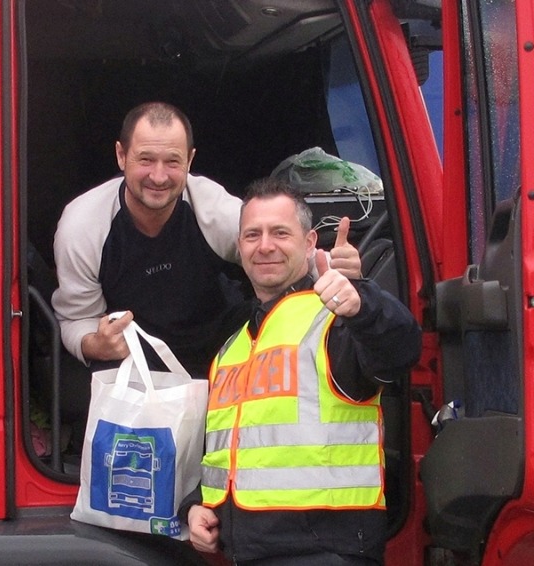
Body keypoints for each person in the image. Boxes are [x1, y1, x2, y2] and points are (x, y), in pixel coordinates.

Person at [184, 178, 422, 565]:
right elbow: (233, 454)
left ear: (310, 243)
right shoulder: (233, 347)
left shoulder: (336, 320)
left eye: (280, 232)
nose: (265, 246)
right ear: (239, 246)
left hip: (325, 551)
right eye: (252, 235)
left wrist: (362, 298)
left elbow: (400, 349)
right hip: (249, 553)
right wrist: (196, 506)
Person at [52, 101, 362, 378]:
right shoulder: (82, 226)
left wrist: (331, 268)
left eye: (172, 162)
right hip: (134, 371)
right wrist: (96, 344)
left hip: (220, 357)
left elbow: (275, 255)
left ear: (190, 160)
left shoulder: (210, 205)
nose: (159, 177)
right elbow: (74, 319)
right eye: (145, 159)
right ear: (121, 155)